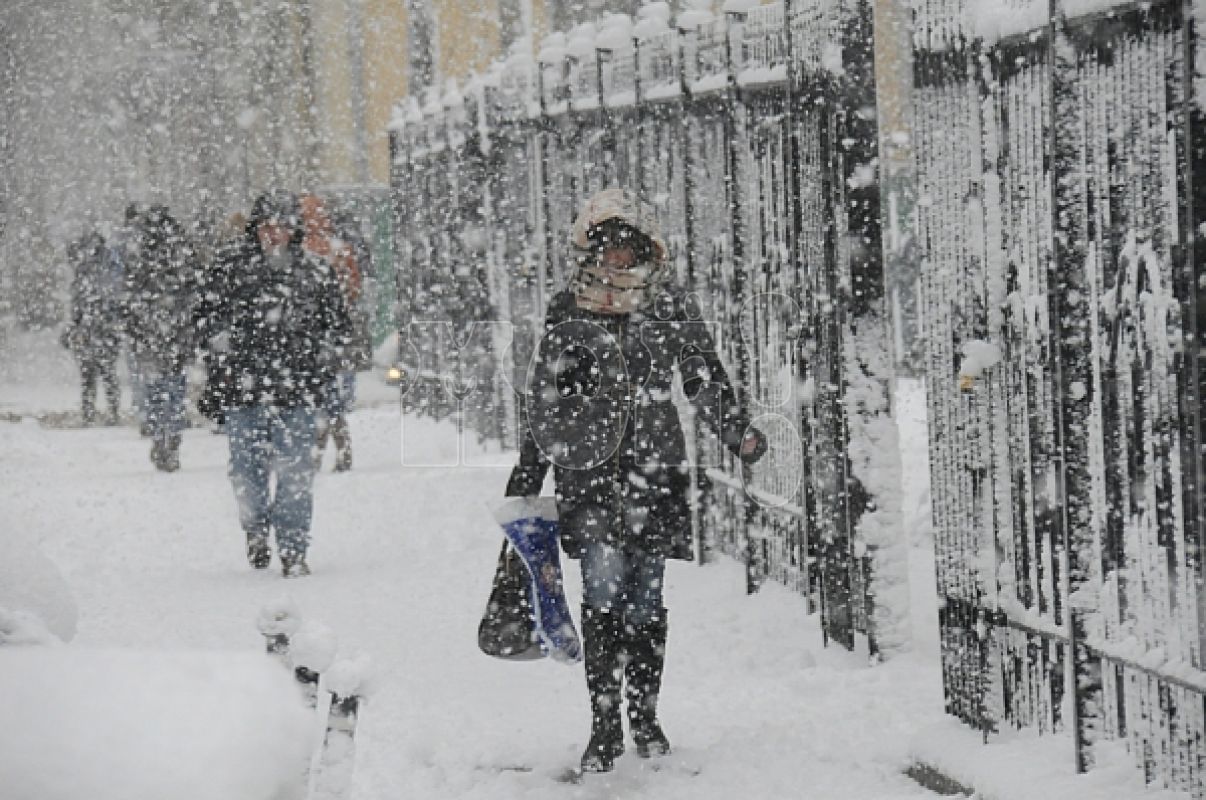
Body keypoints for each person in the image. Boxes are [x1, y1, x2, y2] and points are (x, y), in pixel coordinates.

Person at [504, 187, 767, 773]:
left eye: (629, 249)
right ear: (590, 250)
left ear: (648, 251)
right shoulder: (568, 307)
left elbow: (701, 375)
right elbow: (544, 399)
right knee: (600, 591)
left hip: (654, 467)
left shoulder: (669, 304)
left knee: (646, 598)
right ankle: (604, 726)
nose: (618, 262)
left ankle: (644, 715)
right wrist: (528, 474)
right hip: (589, 468)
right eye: (608, 248)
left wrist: (737, 433)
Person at [194, 192, 352, 577]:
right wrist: (220, 345)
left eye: (281, 226)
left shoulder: (315, 273)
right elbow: (203, 317)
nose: (274, 234)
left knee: (296, 473)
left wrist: (324, 355)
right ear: (255, 229)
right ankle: (256, 532)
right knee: (246, 472)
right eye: (267, 226)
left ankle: (294, 548)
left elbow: (339, 328)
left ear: (294, 230)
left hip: (295, 392)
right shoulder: (229, 269)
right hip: (243, 392)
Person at [124, 205, 199, 471]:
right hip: (175, 334)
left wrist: (135, 328)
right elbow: (194, 292)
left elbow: (130, 298)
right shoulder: (183, 253)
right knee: (175, 387)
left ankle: (160, 433)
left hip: (151, 334)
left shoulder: (141, 257)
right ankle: (172, 433)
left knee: (155, 389)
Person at [300, 194, 361, 472]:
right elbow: (354, 287)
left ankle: (317, 450)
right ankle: (340, 447)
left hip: (307, 337)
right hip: (336, 334)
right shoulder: (339, 249)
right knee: (334, 398)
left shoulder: (298, 251)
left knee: (315, 398)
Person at [62, 229, 122, 425]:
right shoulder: (103, 271)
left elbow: (78, 305)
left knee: (94, 373)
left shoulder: (89, 272)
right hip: (98, 329)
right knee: (103, 373)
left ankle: (94, 412)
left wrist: (76, 325)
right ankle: (105, 411)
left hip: (95, 328)